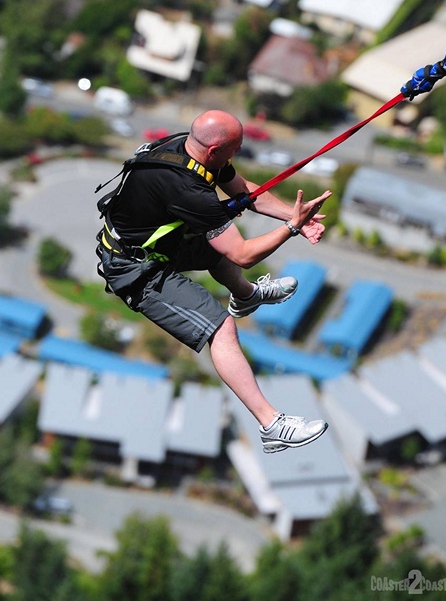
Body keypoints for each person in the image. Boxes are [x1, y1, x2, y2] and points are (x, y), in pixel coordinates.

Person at [96, 110, 332, 454]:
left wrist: (295, 216)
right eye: (233, 150)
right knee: (222, 329)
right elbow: (243, 255)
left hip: (148, 244)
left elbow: (245, 191)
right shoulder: (187, 189)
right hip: (135, 271)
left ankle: (247, 295)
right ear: (215, 149)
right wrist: (291, 229)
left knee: (212, 249)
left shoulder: (185, 146)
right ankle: (272, 425)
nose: (234, 156)